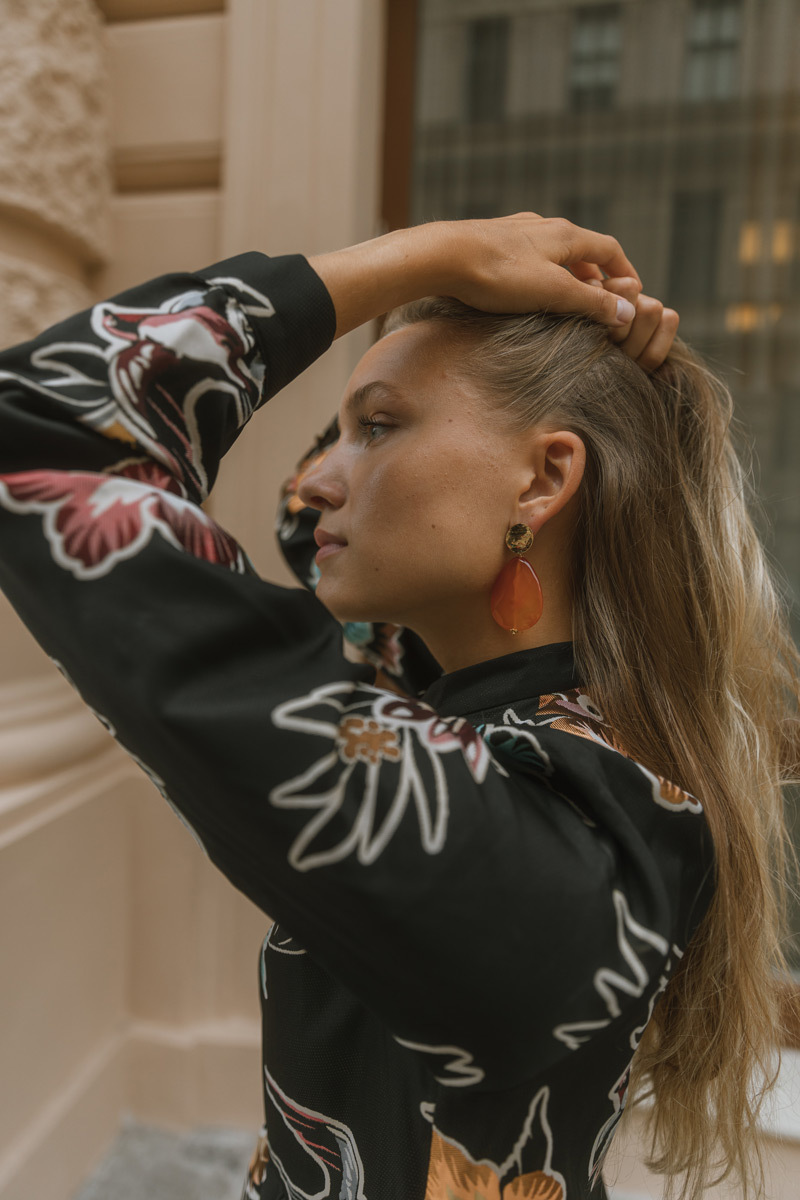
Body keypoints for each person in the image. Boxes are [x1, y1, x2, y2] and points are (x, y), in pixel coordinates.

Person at [0, 214, 796, 1200]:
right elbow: (304, 514)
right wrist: (458, 303)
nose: (322, 478)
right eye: (340, 432)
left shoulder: (552, 825)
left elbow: (45, 419)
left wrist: (428, 257)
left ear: (544, 478)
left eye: (376, 428)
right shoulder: (510, 719)